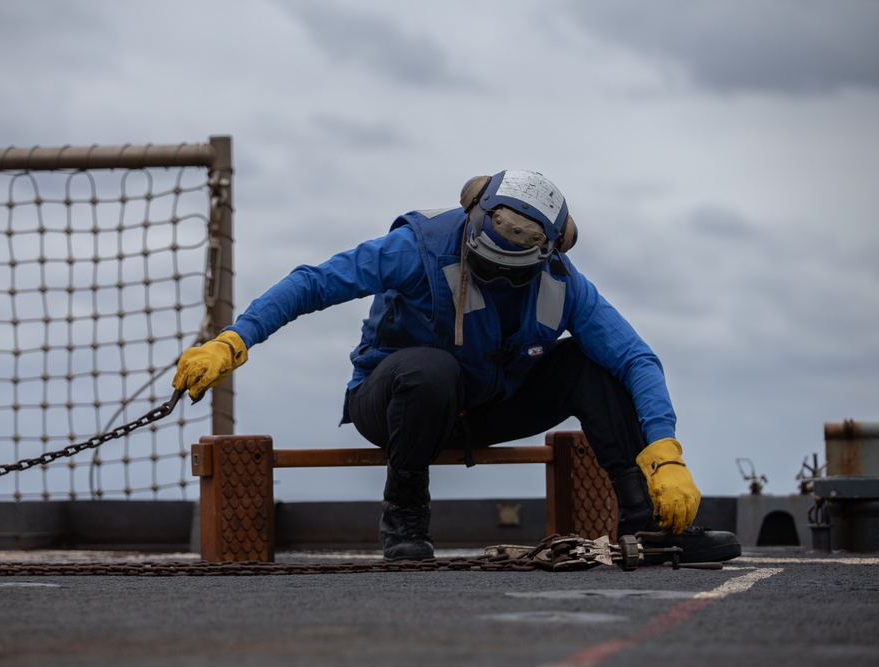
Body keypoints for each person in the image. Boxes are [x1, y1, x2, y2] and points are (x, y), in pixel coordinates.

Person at [172, 169, 741, 564]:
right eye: (485, 265)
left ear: (547, 254)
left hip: (489, 407)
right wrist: (231, 342)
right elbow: (313, 283)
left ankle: (648, 526)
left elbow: (636, 357)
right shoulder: (417, 247)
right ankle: (405, 520)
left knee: (591, 365)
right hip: (395, 399)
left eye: (510, 273)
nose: (497, 280)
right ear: (472, 218)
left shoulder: (563, 283)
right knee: (430, 370)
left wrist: (665, 451)